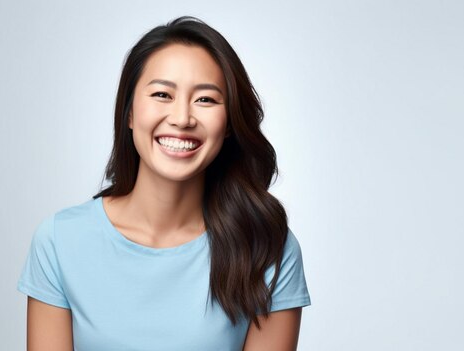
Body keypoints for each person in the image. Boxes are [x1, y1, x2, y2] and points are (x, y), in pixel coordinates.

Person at [17, 16, 311, 350]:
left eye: (206, 100)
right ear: (129, 113)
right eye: (161, 94)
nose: (182, 118)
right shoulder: (59, 242)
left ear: (229, 123)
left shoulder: (268, 247)